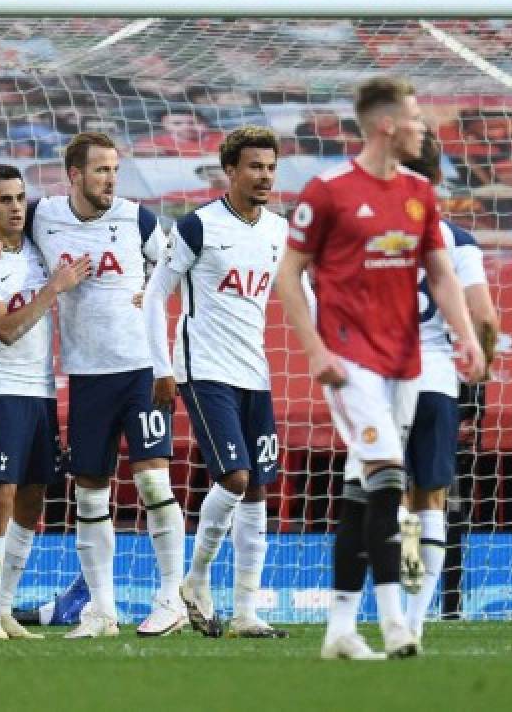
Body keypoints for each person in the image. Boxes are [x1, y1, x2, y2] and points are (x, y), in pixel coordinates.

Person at [275, 76, 484, 660]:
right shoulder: (330, 190)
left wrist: (467, 339)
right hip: (349, 361)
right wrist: (315, 350)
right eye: (416, 117)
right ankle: (396, 623)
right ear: (388, 125)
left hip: (408, 364)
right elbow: (288, 274)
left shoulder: (420, 191)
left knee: (361, 493)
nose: (423, 127)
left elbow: (441, 274)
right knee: (391, 476)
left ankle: (340, 629)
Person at [0, 133, 186, 638]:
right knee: (90, 496)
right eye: (101, 171)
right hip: (86, 377)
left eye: (115, 170)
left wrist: (152, 297)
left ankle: (171, 597)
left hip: (140, 371)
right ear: (74, 175)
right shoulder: (43, 215)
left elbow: (179, 264)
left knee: (154, 482)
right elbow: (4, 239)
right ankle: (102, 613)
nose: (111, 179)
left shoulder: (139, 218)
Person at [142, 126, 301, 638]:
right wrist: (162, 368)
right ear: (230, 171)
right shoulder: (198, 227)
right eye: (255, 167)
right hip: (204, 371)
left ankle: (247, 613)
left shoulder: (277, 230)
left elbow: (301, 293)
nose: (264, 177)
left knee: (256, 490)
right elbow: (153, 295)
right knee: (233, 478)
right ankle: (197, 578)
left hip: (255, 371)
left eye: (271, 168)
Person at [0, 164, 91, 639]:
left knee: (33, 500)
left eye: (19, 198)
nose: (15, 208)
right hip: (1, 391)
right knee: (1, 498)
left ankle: (6, 608)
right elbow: (8, 330)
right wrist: (54, 287)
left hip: (43, 391)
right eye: (4, 201)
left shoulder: (36, 244)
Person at [399, 131, 498, 640]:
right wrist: (479, 376)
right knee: (433, 494)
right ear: (438, 178)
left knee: (388, 492)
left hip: (381, 377)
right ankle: (418, 620)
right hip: (439, 377)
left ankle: (394, 598)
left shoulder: (372, 235)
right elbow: (483, 317)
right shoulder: (457, 240)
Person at [133, 108, 227, 157]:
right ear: (165, 126)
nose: (187, 127)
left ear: (205, 124)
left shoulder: (223, 138)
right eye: (177, 124)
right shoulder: (154, 142)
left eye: (193, 123)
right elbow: (135, 153)